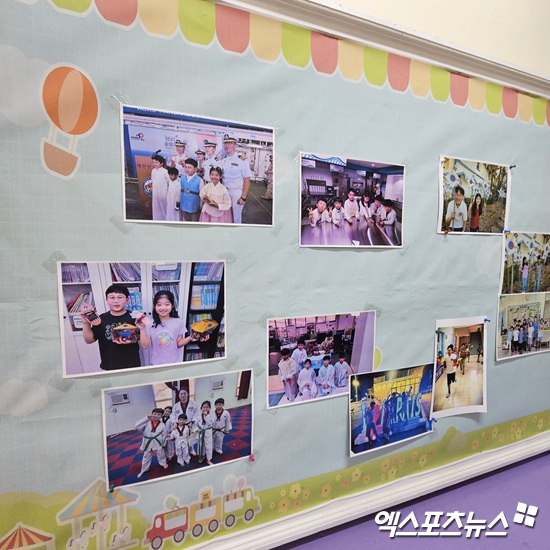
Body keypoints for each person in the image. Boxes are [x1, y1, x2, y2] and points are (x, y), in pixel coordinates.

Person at [81, 284, 141, 371]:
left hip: (132, 363)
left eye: (120, 297)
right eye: (112, 297)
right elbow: (89, 340)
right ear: (106, 300)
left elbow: (141, 337)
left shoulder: (134, 317)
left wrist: (133, 338)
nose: (116, 301)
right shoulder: (101, 319)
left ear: (127, 300)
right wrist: (85, 322)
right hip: (110, 364)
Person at [137, 290, 193, 366]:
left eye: (167, 304)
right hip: (156, 364)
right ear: (154, 306)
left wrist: (190, 337)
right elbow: (145, 345)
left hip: (175, 363)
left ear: (172, 305)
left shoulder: (178, 322)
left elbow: (178, 344)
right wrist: (142, 329)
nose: (163, 308)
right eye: (159, 305)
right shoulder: (150, 324)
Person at [220, 134, 251, 224]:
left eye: (230, 143)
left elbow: (247, 180)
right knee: (225, 216)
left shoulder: (242, 160)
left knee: (236, 218)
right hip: (225, 192)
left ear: (235, 145)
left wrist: (243, 198)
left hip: (236, 193)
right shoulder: (223, 160)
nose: (227, 145)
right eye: (225, 143)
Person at [135, 408, 169, 478]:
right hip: (147, 441)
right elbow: (136, 426)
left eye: (158, 414)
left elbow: (164, 435)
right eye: (154, 414)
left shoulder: (162, 425)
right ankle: (144, 469)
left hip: (157, 441)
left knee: (161, 453)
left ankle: (163, 463)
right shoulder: (146, 422)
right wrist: (146, 418)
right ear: (151, 414)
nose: (156, 416)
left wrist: (163, 443)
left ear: (161, 416)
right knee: (146, 455)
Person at [170, 387, 199, 455]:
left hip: (190, 424)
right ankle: (181, 451)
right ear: (179, 396)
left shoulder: (194, 404)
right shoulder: (176, 406)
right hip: (180, 425)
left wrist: (192, 422)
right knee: (181, 438)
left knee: (191, 438)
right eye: (181, 394)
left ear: (187, 394)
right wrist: (174, 422)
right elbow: (173, 415)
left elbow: (196, 414)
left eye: (184, 393)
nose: (183, 395)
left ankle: (191, 450)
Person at [179, 158, 204, 222]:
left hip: (194, 206)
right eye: (185, 167)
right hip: (183, 205)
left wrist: (201, 205)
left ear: (195, 169)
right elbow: (179, 192)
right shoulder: (182, 178)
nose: (187, 169)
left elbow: (202, 195)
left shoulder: (199, 180)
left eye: (189, 167)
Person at [151, 150, 170, 221]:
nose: (154, 164)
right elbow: (153, 180)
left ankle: (165, 219)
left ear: (161, 163)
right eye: (153, 162)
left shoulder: (165, 172)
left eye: (156, 162)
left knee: (163, 206)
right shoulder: (153, 171)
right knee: (156, 206)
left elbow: (169, 181)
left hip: (163, 192)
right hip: (155, 192)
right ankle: (156, 219)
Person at [197, 400, 214, 465]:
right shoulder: (199, 415)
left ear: (209, 408)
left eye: (207, 407)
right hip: (200, 431)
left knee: (208, 446)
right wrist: (197, 429)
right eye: (204, 407)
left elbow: (210, 423)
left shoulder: (211, 415)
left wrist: (206, 415)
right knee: (201, 445)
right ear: (201, 408)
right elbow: (196, 423)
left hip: (207, 432)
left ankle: (208, 459)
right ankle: (202, 456)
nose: (205, 409)